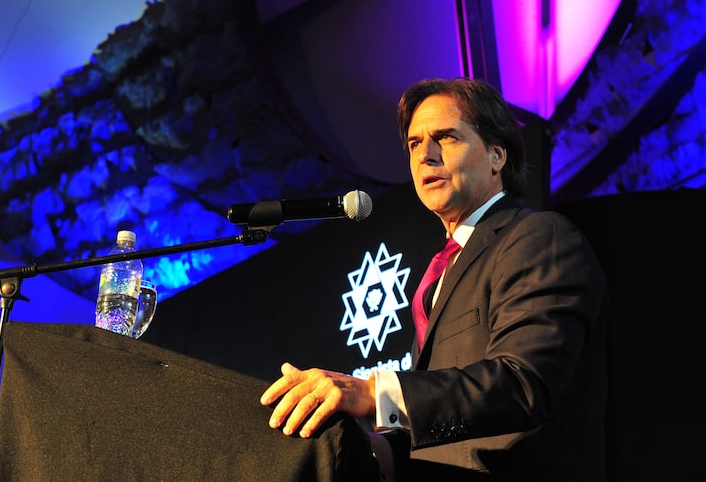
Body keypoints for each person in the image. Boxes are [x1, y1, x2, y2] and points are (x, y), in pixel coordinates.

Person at [260, 77, 610, 481]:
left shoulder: (538, 237)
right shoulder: (445, 270)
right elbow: (444, 429)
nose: (425, 155)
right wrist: (356, 445)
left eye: (446, 137)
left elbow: (521, 383)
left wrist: (375, 392)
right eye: (413, 143)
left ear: (497, 156)